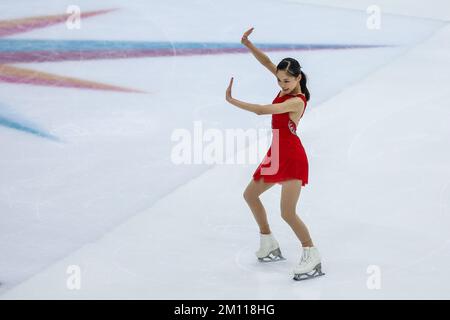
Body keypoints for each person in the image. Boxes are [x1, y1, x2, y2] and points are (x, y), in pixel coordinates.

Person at [225, 27, 324, 281]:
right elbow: (268, 62)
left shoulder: (297, 100)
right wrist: (248, 44)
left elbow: (261, 110)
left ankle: (311, 253)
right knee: (250, 195)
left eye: (286, 81)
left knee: (287, 212)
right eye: (279, 80)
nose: (281, 84)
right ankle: (268, 241)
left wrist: (233, 101)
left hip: (291, 155)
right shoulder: (285, 86)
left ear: (298, 77)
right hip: (276, 152)